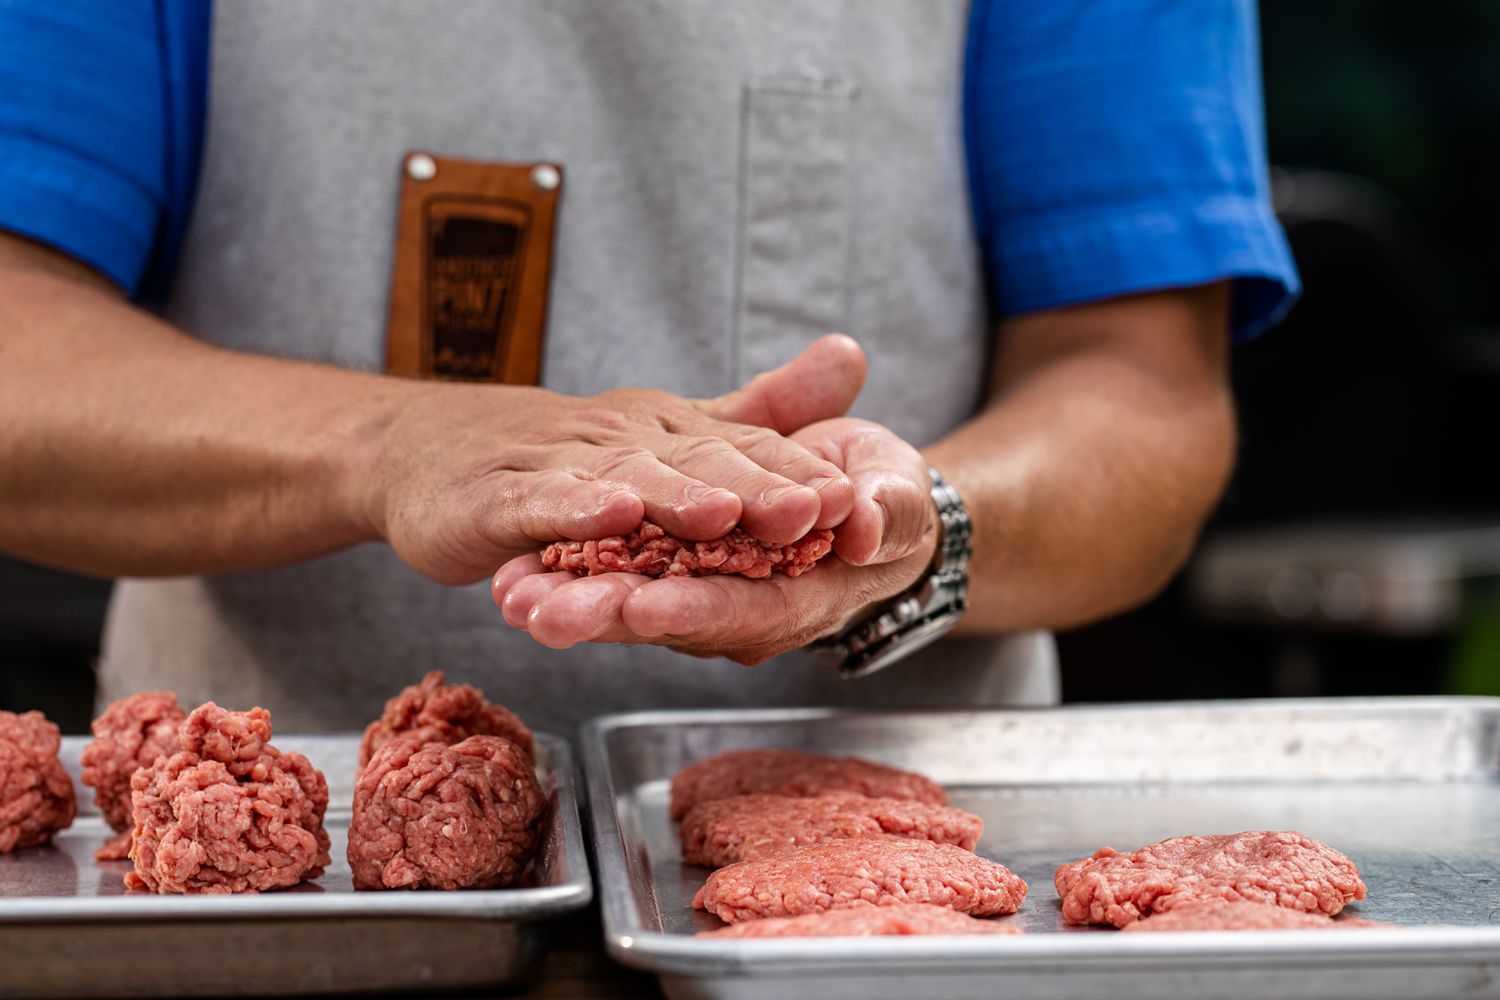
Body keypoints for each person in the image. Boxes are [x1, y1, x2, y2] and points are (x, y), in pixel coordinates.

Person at [0, 1, 1297, 735]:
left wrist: (928, 529)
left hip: (872, 890)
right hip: (271, 876)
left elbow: (1141, 388)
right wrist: (386, 446)